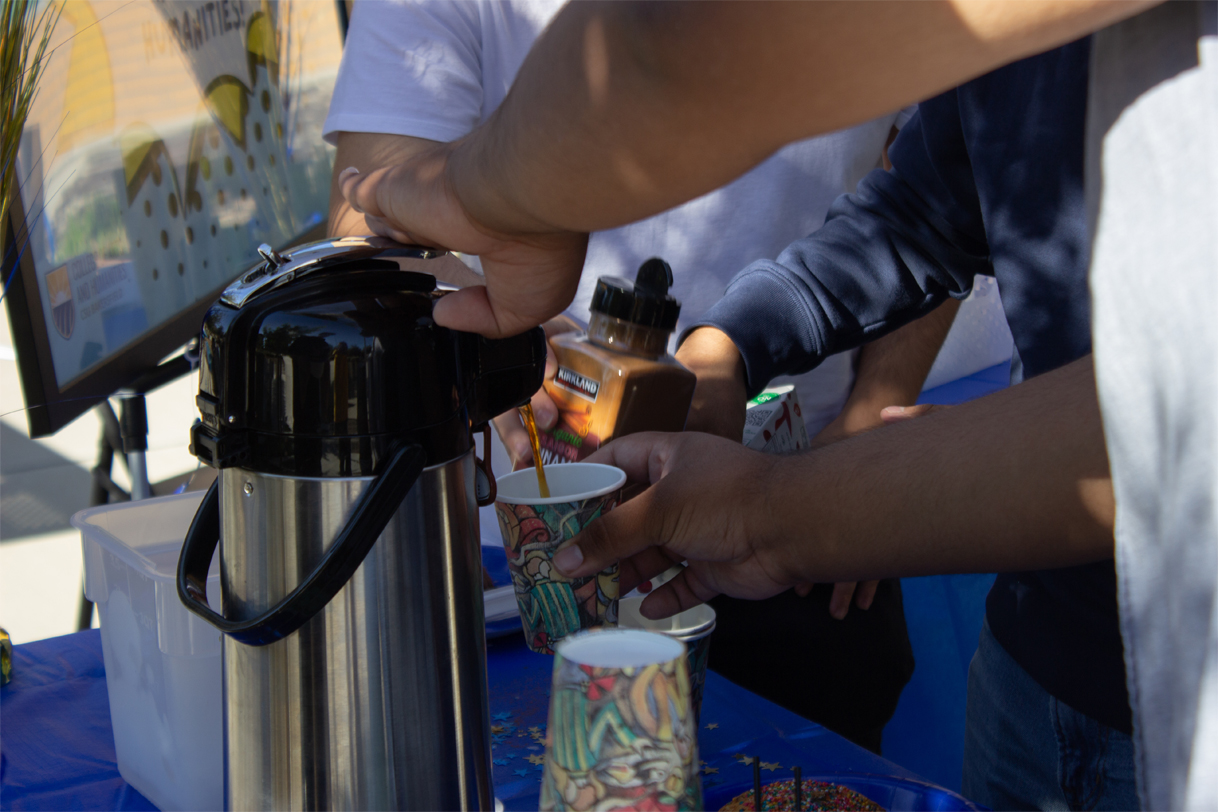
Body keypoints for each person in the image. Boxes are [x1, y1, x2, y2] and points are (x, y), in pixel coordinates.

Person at [339, 2, 1218, 806]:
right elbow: (924, 211)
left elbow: (669, 46)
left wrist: (478, 198)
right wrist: (729, 348)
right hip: (1034, 664)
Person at [322, 0, 968, 752]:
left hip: (803, 506)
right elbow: (368, 212)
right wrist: (499, 343)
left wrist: (871, 411)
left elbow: (939, 202)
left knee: (799, 776)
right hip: (516, 542)